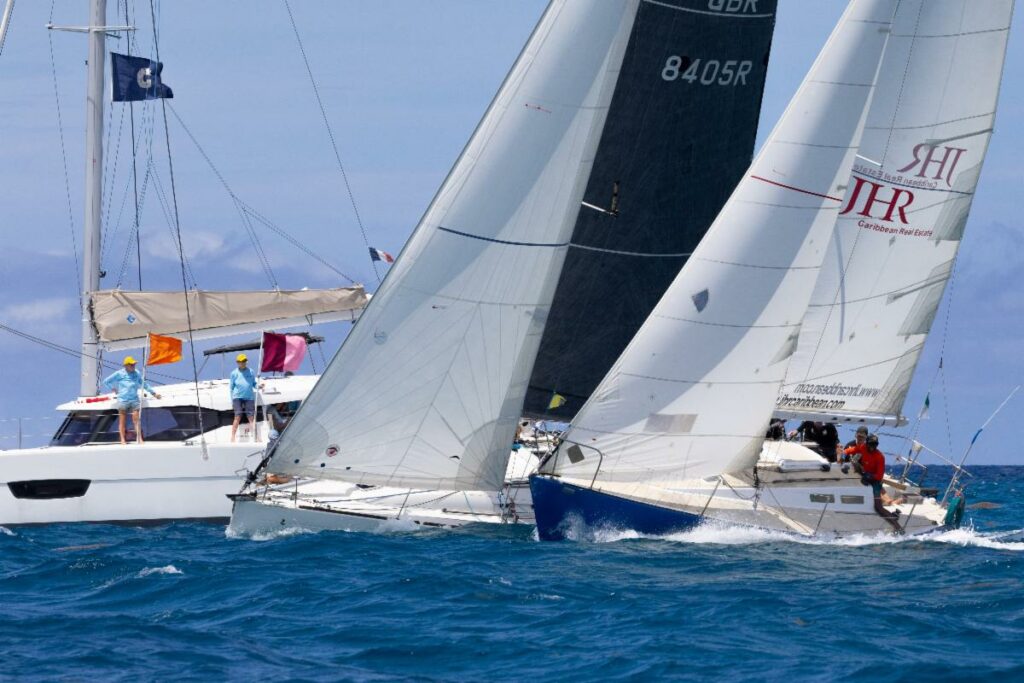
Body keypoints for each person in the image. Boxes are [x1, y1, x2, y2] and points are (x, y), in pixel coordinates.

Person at [842, 433, 902, 532]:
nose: (872, 447)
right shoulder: (862, 447)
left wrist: (869, 476)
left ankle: (898, 527)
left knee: (878, 507)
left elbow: (879, 476)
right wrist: (843, 455)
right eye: (870, 444)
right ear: (867, 443)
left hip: (875, 481)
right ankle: (893, 516)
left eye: (875, 445)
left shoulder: (880, 457)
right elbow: (849, 451)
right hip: (865, 475)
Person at [102, 356, 161, 445]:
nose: (133, 366)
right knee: (122, 421)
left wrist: (153, 393)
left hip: (134, 399)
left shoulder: (137, 373)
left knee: (136, 420)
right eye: (131, 364)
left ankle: (139, 438)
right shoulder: (119, 373)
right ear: (126, 365)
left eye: (134, 364)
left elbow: (143, 384)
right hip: (123, 400)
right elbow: (106, 381)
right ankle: (122, 439)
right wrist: (113, 389)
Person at [229, 353, 260, 442]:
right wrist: (232, 400)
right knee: (237, 416)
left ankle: (256, 437)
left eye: (244, 361)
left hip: (249, 397)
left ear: (246, 361)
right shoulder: (234, 373)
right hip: (237, 397)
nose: (243, 363)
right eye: (240, 361)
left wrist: (259, 386)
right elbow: (231, 387)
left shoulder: (251, 371)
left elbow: (254, 383)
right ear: (237, 362)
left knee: (251, 418)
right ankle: (232, 437)